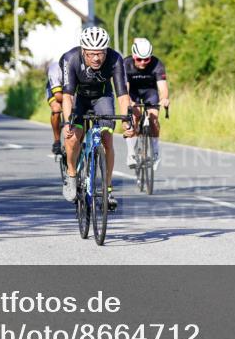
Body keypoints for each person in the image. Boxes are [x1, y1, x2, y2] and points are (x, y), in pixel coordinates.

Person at [60, 26, 134, 210]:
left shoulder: (115, 59)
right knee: (72, 136)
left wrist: (126, 120)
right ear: (83, 50)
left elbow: (122, 95)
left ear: (106, 51)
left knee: (107, 139)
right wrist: (68, 121)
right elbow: (67, 96)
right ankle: (71, 174)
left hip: (102, 97)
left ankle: (107, 189)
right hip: (79, 97)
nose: (96, 58)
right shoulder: (71, 59)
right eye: (91, 54)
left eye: (100, 53)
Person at [123, 37, 170, 170]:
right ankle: (131, 153)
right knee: (134, 117)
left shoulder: (157, 64)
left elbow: (163, 88)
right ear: (133, 56)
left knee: (154, 119)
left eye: (146, 59)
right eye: (139, 59)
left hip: (150, 91)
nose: (143, 62)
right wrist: (129, 102)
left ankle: (155, 153)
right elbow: (124, 88)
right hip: (132, 93)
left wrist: (165, 98)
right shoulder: (126, 64)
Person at [45, 55, 65, 156]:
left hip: (70, 88)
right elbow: (58, 96)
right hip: (55, 90)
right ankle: (57, 141)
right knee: (56, 109)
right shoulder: (54, 69)